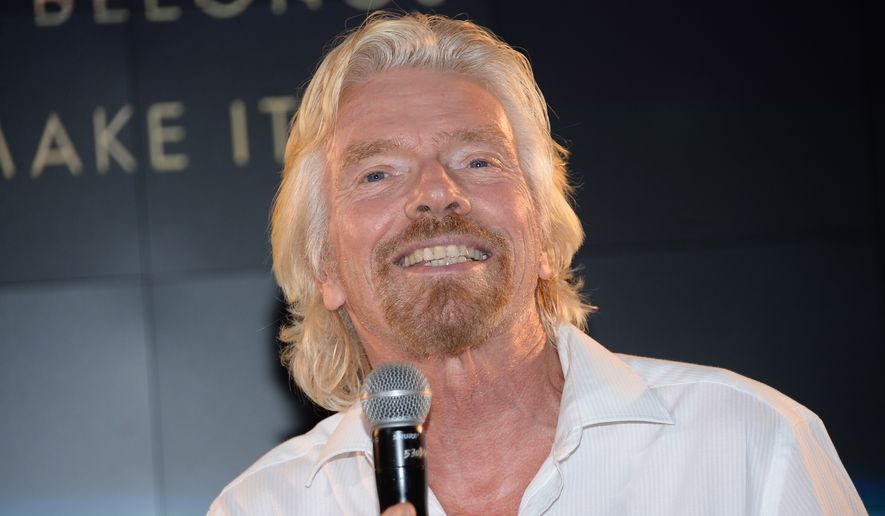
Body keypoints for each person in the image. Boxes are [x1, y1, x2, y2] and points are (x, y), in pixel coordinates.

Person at [209, 12, 866, 516]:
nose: (437, 192)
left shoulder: (747, 445)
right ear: (325, 266)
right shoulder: (266, 505)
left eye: (477, 160)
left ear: (544, 237)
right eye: (378, 173)